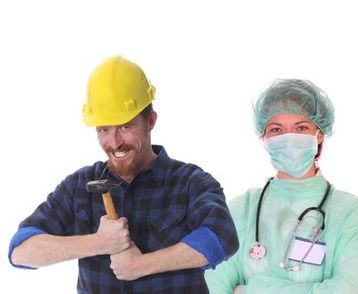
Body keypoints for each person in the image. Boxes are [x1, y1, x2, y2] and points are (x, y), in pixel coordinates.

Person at [9, 56, 238, 293]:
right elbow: (21, 251)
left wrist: (142, 265)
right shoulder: (79, 186)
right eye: (104, 130)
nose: (115, 142)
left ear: (150, 121)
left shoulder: (190, 182)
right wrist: (97, 243)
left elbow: (222, 237)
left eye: (125, 127)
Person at [205, 79, 358, 293]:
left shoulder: (348, 212)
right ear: (264, 137)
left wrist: (251, 290)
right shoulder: (241, 210)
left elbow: (353, 289)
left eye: (301, 128)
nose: (288, 138)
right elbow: (211, 287)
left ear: (319, 133)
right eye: (277, 129)